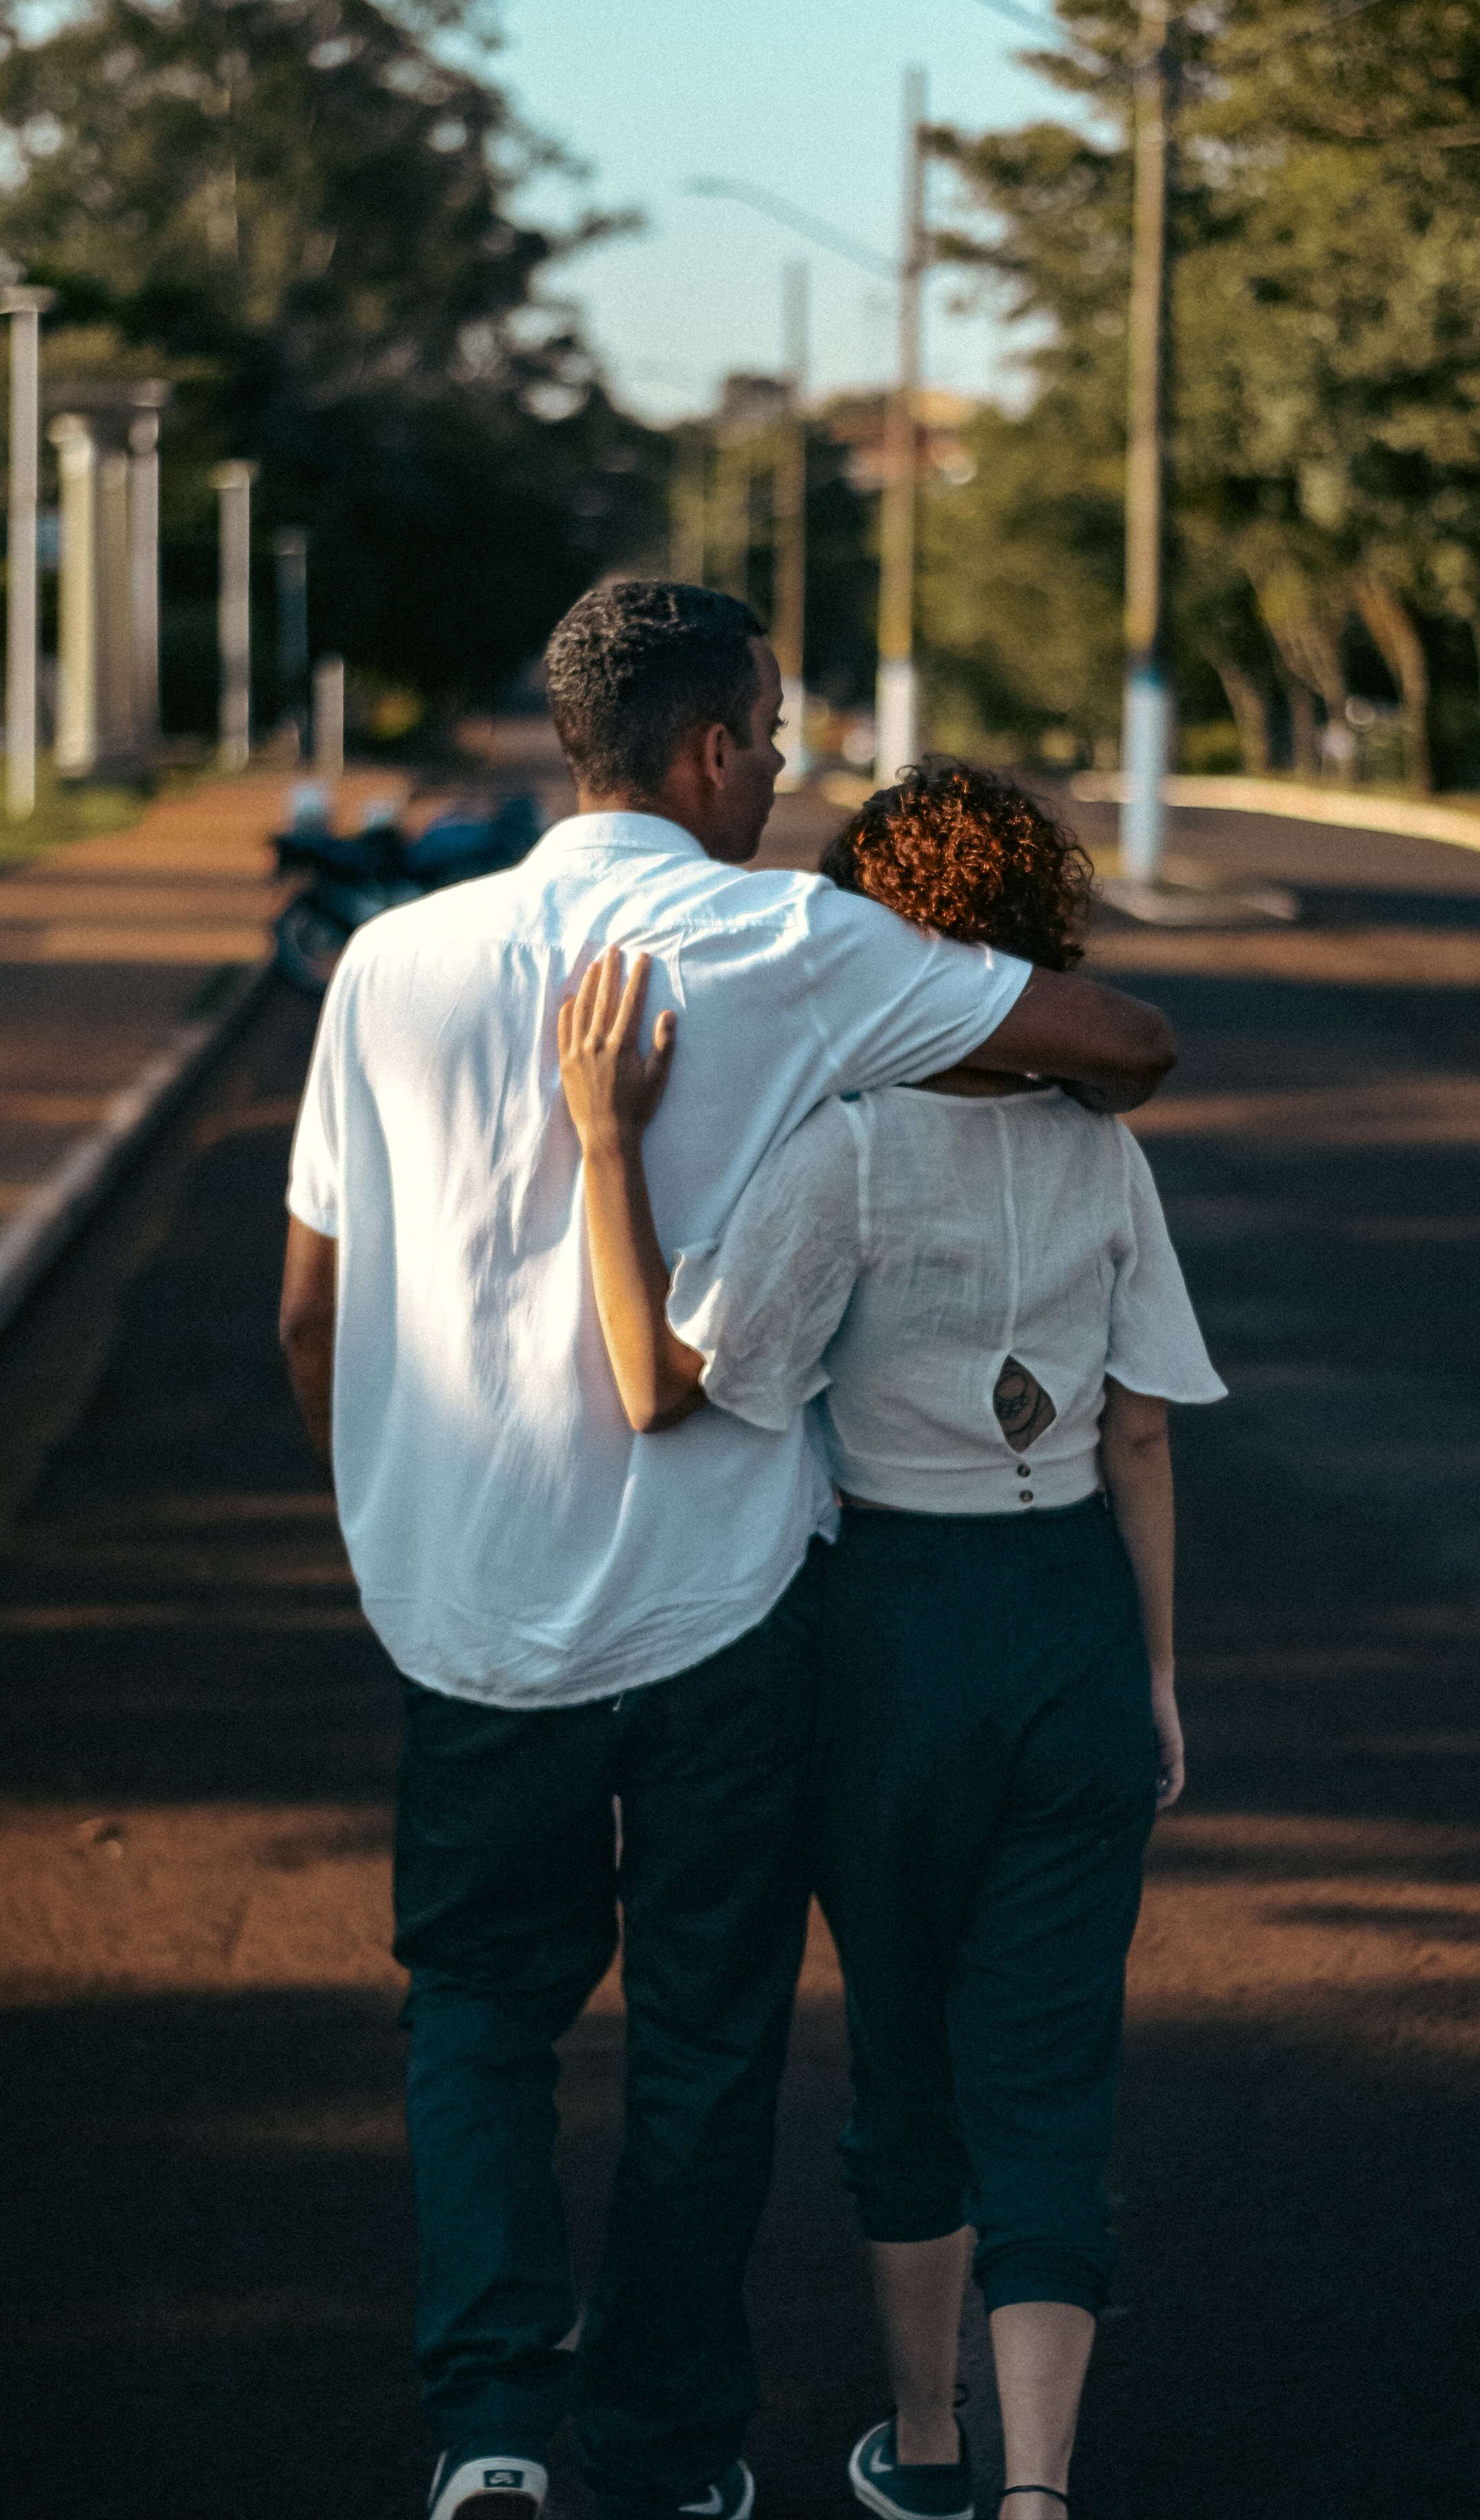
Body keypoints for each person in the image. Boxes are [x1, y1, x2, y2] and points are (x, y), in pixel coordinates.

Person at [277, 583, 1177, 2520]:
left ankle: (492, 2434)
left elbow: (306, 1314)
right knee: (705, 2038)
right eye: (769, 733)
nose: (780, 767)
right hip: (723, 1625)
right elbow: (1126, 1039)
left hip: (465, 1624)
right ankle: (672, 2454)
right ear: (704, 751)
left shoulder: (393, 962)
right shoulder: (798, 940)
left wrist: (400, 1519)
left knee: (482, 2018)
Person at [559, 761, 1224, 2520]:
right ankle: (1040, 2492)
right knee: (1052, 2061)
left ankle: (926, 2452)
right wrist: (1148, 1673)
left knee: (908, 2047)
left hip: (886, 1639)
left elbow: (669, 1387)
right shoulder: (1105, 1155)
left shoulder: (840, 1154)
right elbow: (1141, 1430)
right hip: (1071, 1615)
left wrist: (608, 1146)